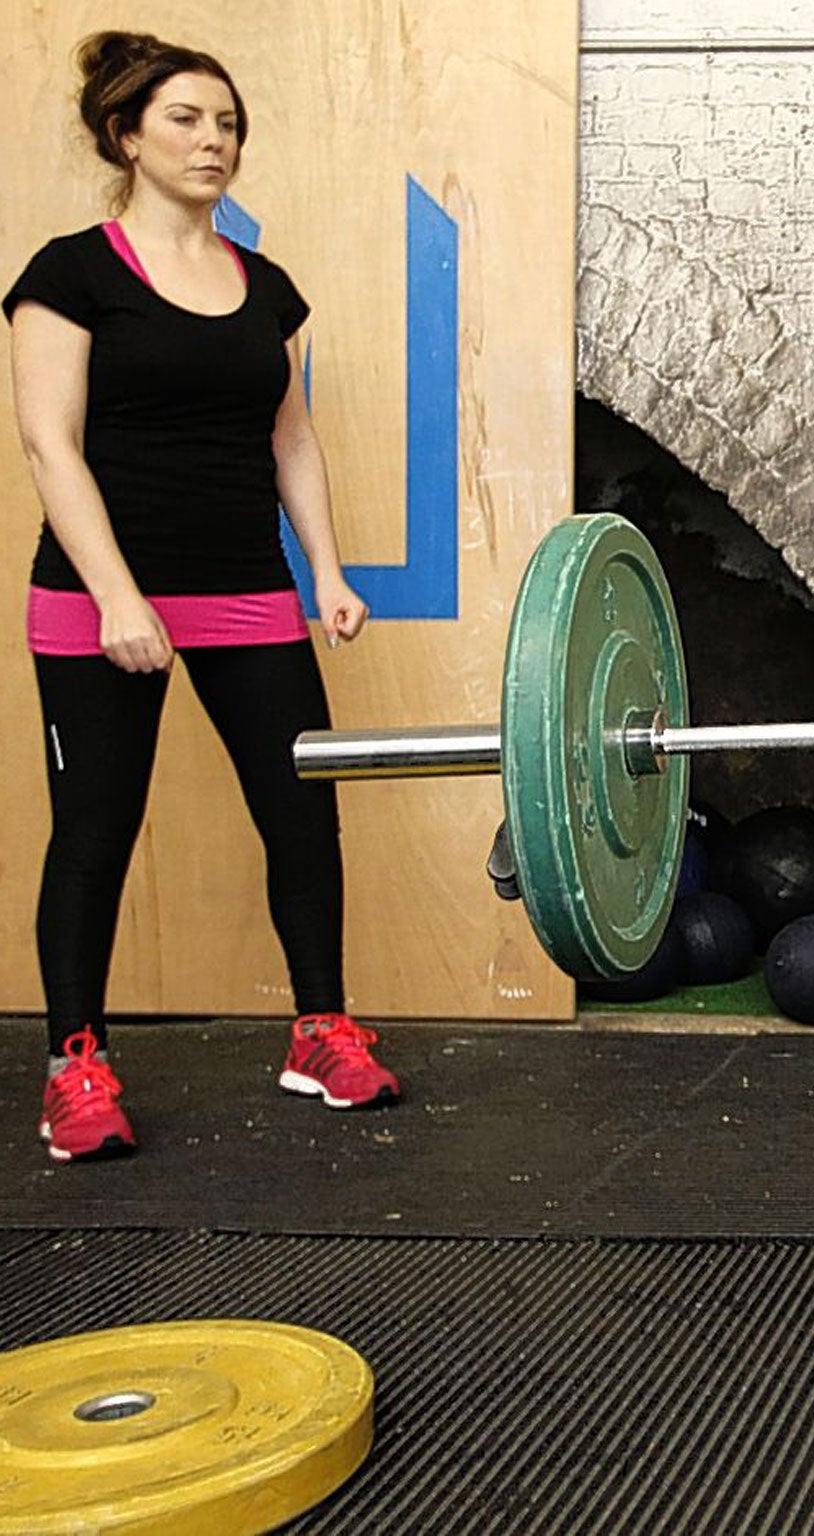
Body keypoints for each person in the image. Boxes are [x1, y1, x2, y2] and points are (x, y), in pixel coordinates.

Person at [6, 31, 400, 1165]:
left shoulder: (263, 289)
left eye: (226, 122)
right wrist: (122, 597)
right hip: (98, 600)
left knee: (300, 811)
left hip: (244, 588)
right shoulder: (69, 274)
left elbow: (291, 438)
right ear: (126, 135)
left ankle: (320, 1029)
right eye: (185, 119)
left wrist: (324, 570)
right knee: (94, 833)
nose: (212, 140)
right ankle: (74, 1067)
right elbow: (49, 445)